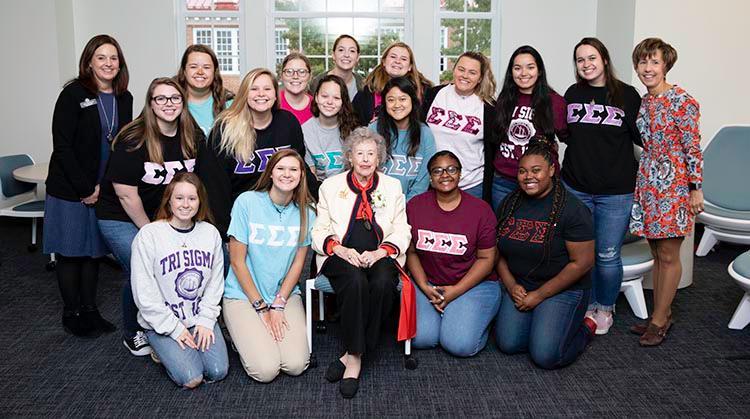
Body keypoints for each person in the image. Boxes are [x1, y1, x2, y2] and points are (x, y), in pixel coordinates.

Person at [96, 77, 201, 356]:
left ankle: (172, 321)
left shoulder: (191, 133)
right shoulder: (133, 138)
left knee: (170, 265)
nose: (169, 104)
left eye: (175, 98)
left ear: (183, 102)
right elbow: (126, 196)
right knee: (143, 266)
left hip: (162, 216)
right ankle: (133, 331)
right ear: (151, 104)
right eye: (161, 99)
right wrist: (153, 234)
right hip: (121, 216)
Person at [311, 128, 413, 398]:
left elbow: (403, 230)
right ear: (350, 157)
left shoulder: (392, 187)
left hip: (379, 254)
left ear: (379, 158)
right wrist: (341, 250)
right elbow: (318, 231)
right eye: (360, 154)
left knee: (381, 282)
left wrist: (382, 252)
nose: (366, 159)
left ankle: (349, 353)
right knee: (355, 280)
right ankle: (356, 357)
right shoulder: (330, 186)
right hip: (341, 255)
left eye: (371, 154)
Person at [45, 34, 132, 337]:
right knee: (71, 252)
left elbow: (122, 146)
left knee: (94, 251)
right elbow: (63, 147)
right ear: (89, 62)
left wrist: (103, 187)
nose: (108, 63)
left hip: (104, 187)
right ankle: (72, 312)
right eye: (101, 58)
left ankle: (91, 310)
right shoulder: (73, 94)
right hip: (71, 188)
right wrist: (85, 188)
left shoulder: (124, 97)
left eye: (113, 58)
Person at [561, 38, 643, 335]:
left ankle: (604, 306)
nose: (586, 64)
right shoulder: (572, 93)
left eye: (592, 58)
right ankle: (586, 303)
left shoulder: (628, 95)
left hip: (615, 191)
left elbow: (642, 139)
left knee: (607, 254)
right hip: (575, 186)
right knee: (580, 251)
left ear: (605, 59)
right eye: (580, 60)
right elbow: (570, 136)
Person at [494, 140, 596, 369]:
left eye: (536, 170)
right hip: (521, 285)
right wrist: (511, 286)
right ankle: (543, 324)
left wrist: (539, 296)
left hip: (563, 289)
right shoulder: (510, 202)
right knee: (508, 344)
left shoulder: (573, 209)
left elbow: (582, 263)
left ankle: (585, 329)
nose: (528, 177)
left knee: (545, 356)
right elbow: (496, 251)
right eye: (522, 171)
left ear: (551, 170)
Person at [629, 38, 703, 346]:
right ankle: (661, 312)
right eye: (643, 62)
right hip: (649, 180)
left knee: (670, 254)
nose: (648, 68)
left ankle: (659, 321)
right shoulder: (644, 101)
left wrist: (695, 189)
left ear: (666, 65)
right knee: (657, 251)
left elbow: (693, 148)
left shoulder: (682, 100)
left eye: (654, 62)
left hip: (674, 184)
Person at [222, 149, 315, 382]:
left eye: (293, 169)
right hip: (243, 295)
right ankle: (235, 331)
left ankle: (259, 336)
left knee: (295, 364)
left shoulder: (307, 212)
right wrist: (262, 308)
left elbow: (298, 264)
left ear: (302, 175)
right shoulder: (247, 202)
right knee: (266, 370)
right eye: (280, 168)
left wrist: (279, 304)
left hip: (282, 294)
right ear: (270, 173)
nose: (287, 174)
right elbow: (236, 261)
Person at [130, 172, 228, 389]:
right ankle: (159, 346)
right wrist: (174, 329)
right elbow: (144, 292)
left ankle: (187, 346)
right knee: (192, 378)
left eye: (192, 199)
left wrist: (205, 320)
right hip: (162, 322)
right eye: (179, 198)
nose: (186, 204)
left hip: (197, 318)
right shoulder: (149, 235)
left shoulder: (210, 233)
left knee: (217, 371)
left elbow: (214, 284)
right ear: (169, 200)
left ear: (200, 201)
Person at [197, 68, 316, 239]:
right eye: (254, 89)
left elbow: (300, 170)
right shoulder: (224, 130)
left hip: (282, 215)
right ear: (245, 93)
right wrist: (227, 235)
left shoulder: (288, 123)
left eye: (267, 89)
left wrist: (327, 196)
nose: (261, 94)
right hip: (240, 219)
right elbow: (214, 190)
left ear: (276, 94)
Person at [406, 151, 499, 357]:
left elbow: (487, 259)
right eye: (437, 171)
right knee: (421, 338)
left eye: (451, 169)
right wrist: (423, 286)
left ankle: (472, 318)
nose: (445, 175)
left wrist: (455, 292)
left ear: (460, 174)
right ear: (430, 177)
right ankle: (451, 315)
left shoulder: (481, 210)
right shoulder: (415, 206)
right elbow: (411, 252)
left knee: (459, 345)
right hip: (430, 283)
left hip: (472, 284)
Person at [492, 46, 568, 209]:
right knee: (503, 231)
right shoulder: (504, 100)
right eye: (517, 68)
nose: (523, 73)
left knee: (538, 231)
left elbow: (568, 137)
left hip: (540, 182)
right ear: (511, 72)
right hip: (504, 181)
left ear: (539, 71)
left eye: (530, 67)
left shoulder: (555, 102)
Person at [422, 51, 497, 202]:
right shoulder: (433, 94)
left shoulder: (489, 108)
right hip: (432, 181)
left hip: (471, 185)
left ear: (480, 78)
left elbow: (493, 150)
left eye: (472, 72)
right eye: (461, 69)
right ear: (454, 69)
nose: (465, 75)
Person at [370, 77, 436, 201]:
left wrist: (405, 206)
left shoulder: (425, 133)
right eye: (391, 100)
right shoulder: (373, 130)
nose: (397, 105)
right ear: (384, 103)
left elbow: (424, 178)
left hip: (412, 204)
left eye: (403, 99)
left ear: (412, 100)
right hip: (376, 203)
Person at [352, 42, 432, 126]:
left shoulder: (424, 91)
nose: (397, 61)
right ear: (384, 62)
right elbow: (354, 124)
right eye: (393, 57)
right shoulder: (367, 90)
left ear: (410, 67)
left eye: (403, 59)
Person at [302, 74, 359, 181]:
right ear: (316, 97)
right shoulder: (304, 131)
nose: (329, 102)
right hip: (318, 190)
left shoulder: (353, 131)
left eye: (336, 98)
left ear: (343, 102)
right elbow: (311, 174)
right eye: (324, 96)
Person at [176, 44, 234, 136]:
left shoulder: (231, 104)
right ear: (184, 71)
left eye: (206, 67)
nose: (200, 72)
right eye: (193, 67)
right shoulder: (171, 104)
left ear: (214, 72)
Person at [309, 34, 363, 101]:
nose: (346, 55)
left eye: (352, 51)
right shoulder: (317, 82)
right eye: (341, 50)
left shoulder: (363, 84)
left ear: (357, 57)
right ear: (333, 55)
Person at [279, 52, 314, 125]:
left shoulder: (317, 106)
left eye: (302, 72)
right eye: (289, 71)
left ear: (309, 76)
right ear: (281, 76)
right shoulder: (273, 103)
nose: (295, 76)